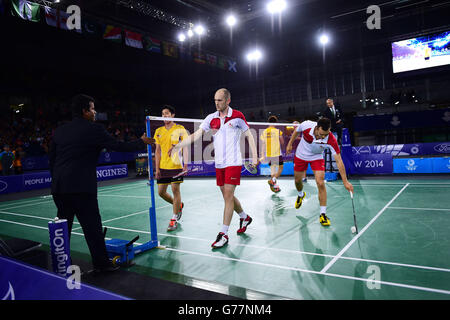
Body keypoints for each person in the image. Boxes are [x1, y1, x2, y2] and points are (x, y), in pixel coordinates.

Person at [49, 94, 153, 272]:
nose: (94, 112)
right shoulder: (94, 129)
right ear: (84, 111)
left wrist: (59, 180)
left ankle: (60, 266)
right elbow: (118, 146)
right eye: (91, 108)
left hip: (60, 188)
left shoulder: (59, 131)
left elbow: (52, 160)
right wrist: (141, 142)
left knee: (62, 230)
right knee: (92, 229)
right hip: (82, 189)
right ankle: (102, 265)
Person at [169, 88, 258, 248]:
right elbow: (196, 135)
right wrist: (178, 146)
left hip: (233, 162)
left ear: (228, 101)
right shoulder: (211, 118)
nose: (217, 103)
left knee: (229, 196)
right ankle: (245, 217)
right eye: (215, 100)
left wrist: (255, 156)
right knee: (227, 196)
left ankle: (223, 234)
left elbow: (249, 135)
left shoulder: (237, 116)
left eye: (220, 100)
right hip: (219, 164)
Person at [286, 117, 353, 227]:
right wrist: (289, 144)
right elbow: (296, 131)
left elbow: (339, 161)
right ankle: (300, 194)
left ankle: (323, 214)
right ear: (317, 128)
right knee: (298, 181)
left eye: (325, 135)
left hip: (317, 157)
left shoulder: (331, 139)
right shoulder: (306, 125)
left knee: (320, 182)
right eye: (321, 134)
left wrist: (345, 182)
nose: (323, 137)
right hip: (301, 155)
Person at [154, 105, 188, 231]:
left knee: (175, 189)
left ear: (173, 115)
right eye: (163, 113)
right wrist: (157, 168)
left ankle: (173, 219)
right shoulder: (158, 131)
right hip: (163, 166)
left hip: (176, 165)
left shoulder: (180, 128)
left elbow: (185, 147)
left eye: (167, 113)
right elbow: (157, 151)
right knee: (161, 192)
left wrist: (186, 164)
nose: (164, 115)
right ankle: (179, 205)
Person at [259, 115, 284, 193]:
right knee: (280, 168)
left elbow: (263, 144)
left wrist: (263, 155)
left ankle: (275, 186)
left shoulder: (264, 132)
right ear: (276, 123)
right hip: (277, 153)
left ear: (268, 122)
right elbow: (282, 142)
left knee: (273, 170)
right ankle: (272, 180)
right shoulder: (278, 131)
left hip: (269, 154)